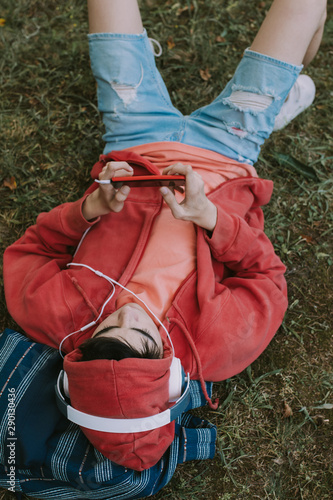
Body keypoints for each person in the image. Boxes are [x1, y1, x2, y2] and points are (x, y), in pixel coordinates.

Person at [3, 0, 327, 473]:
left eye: (108, 326)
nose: (127, 313)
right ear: (172, 373)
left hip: (134, 135)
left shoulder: (58, 318)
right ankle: (274, 100)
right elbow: (267, 277)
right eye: (141, 333)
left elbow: (29, 249)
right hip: (229, 146)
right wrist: (213, 219)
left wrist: (85, 211)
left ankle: (276, 95)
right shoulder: (214, 348)